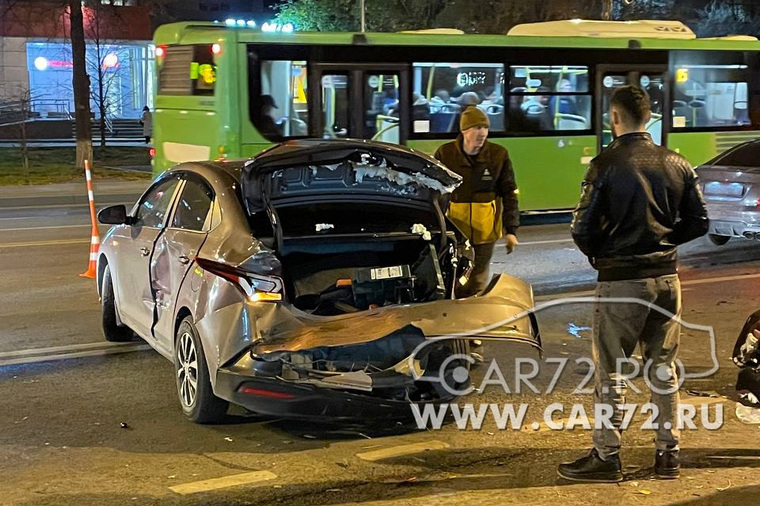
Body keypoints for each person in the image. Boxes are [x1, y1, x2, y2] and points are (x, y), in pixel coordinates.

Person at [558, 86, 708, 483]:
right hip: (666, 280)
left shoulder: (605, 165)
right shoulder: (677, 162)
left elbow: (581, 227)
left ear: (615, 117)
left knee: (612, 371)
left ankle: (607, 456)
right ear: (648, 119)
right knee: (663, 368)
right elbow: (700, 222)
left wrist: (600, 255)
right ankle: (668, 456)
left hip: (621, 281)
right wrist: (663, 243)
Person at [434, 106, 520, 298]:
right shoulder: (445, 154)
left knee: (478, 280)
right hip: (455, 233)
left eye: (485, 128)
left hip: (485, 233)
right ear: (465, 131)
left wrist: (511, 230)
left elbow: (509, 193)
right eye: (477, 128)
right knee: (455, 278)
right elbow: (433, 191)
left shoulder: (498, 155)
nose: (482, 133)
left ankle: (474, 317)